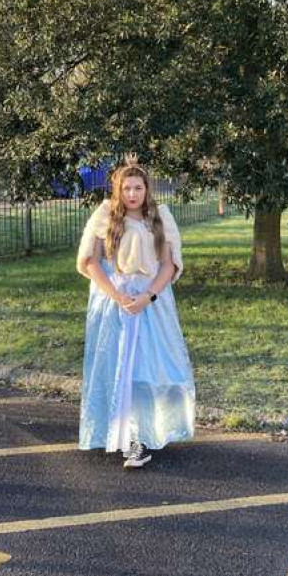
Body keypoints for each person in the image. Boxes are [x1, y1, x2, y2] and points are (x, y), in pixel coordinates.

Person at [75, 155, 195, 468]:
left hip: (150, 302)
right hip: (114, 302)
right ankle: (123, 436)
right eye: (126, 188)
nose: (132, 194)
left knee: (146, 371)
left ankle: (143, 434)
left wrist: (148, 296)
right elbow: (90, 262)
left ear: (146, 189)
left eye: (138, 188)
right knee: (117, 368)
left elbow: (169, 265)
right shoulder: (105, 215)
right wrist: (116, 296)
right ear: (118, 190)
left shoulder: (160, 217)